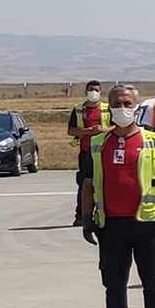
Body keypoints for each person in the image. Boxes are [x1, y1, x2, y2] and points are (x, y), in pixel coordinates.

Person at [80, 85, 155, 308]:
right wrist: (86, 217)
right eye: (117, 103)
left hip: (147, 223)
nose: (122, 108)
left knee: (153, 280)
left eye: (127, 103)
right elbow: (88, 183)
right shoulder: (98, 143)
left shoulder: (152, 140)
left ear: (136, 107)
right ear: (109, 107)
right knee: (114, 283)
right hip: (111, 224)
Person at [68, 80, 111, 224]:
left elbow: (115, 127)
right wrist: (86, 132)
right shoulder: (79, 109)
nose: (94, 92)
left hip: (104, 151)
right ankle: (81, 215)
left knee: (104, 183)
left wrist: (101, 130)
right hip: (86, 152)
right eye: (91, 89)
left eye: (96, 90)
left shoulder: (106, 108)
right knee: (84, 184)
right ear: (86, 92)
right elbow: (71, 130)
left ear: (100, 92)